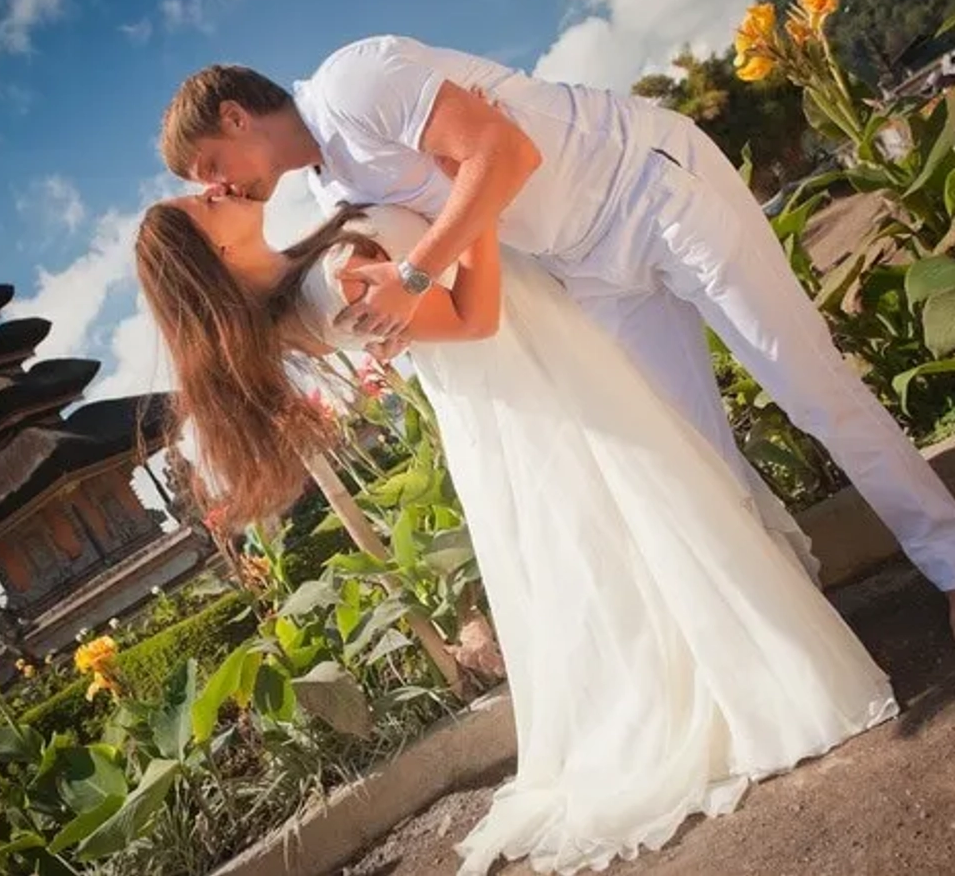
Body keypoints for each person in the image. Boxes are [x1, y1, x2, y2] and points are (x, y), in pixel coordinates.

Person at [133, 192, 896, 875]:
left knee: (629, 531)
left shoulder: (310, 264)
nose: (215, 189)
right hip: (527, 370)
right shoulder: (330, 288)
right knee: (635, 517)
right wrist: (473, 213)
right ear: (216, 253)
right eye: (202, 204)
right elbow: (476, 316)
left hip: (530, 372)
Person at [157, 34, 955, 633]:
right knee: (696, 460)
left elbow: (506, 152)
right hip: (589, 266)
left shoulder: (353, 83)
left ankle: (948, 565)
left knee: (808, 385)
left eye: (210, 164)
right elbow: (464, 225)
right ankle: (802, 629)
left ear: (236, 115)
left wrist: (413, 278)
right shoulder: (334, 180)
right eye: (205, 186)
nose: (217, 185)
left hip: (649, 187)